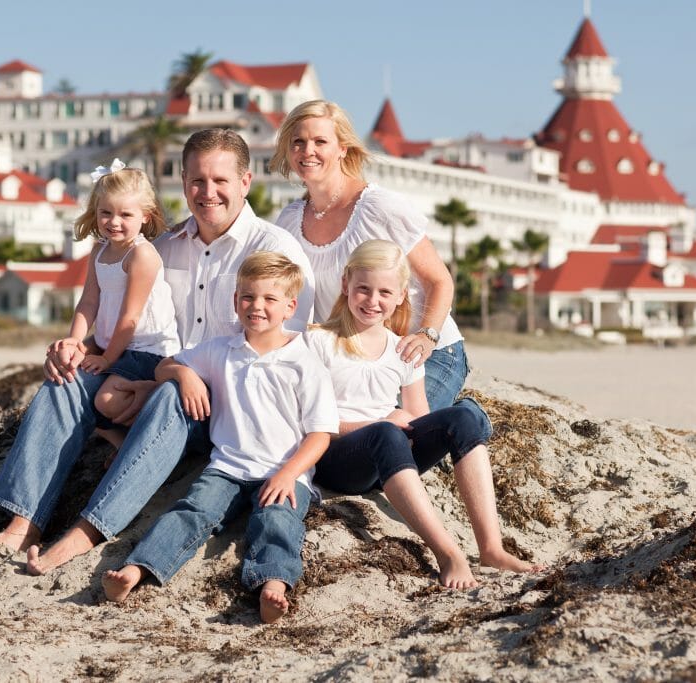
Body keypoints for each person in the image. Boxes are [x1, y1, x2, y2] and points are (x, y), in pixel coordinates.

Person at [0, 129, 315, 566]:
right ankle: (21, 525)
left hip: (223, 407)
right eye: (197, 180)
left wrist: (167, 380)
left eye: (220, 181)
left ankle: (85, 532)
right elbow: (128, 325)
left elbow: (278, 360)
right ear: (182, 181)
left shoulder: (275, 251)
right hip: (155, 374)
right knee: (67, 381)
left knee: (172, 397)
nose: (207, 192)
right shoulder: (160, 248)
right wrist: (76, 348)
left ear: (245, 182)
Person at [101, 252, 338, 623]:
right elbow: (164, 367)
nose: (256, 307)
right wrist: (186, 375)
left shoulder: (304, 362)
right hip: (226, 468)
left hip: (283, 472)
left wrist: (288, 474)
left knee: (277, 520)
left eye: (269, 299)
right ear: (235, 300)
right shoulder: (220, 350)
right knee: (191, 512)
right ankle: (136, 570)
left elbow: (320, 435)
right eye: (247, 297)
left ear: (291, 306)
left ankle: (273, 584)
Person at [305, 240, 541, 589]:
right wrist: (380, 423)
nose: (373, 301)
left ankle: (491, 548)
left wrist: (408, 425)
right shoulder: (319, 342)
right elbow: (311, 423)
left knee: (463, 417)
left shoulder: (402, 349)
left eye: (385, 292)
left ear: (401, 295)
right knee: (386, 432)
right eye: (364, 289)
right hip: (340, 459)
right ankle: (448, 555)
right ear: (346, 285)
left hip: (390, 457)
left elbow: (417, 419)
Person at [271, 99, 468, 411]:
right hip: (350, 356)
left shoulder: (380, 208)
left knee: (396, 430)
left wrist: (428, 336)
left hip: (420, 353)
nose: (308, 151)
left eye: (320, 141)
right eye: (298, 142)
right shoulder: (288, 222)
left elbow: (440, 280)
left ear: (342, 149)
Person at [60, 159, 180, 452]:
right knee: (71, 379)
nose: (114, 222)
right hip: (114, 345)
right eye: (106, 213)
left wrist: (107, 360)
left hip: (147, 349)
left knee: (105, 400)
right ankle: (120, 441)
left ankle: (155, 417)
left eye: (125, 214)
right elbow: (88, 302)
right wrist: (75, 341)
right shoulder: (99, 251)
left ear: (146, 217)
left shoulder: (142, 255)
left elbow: (130, 317)